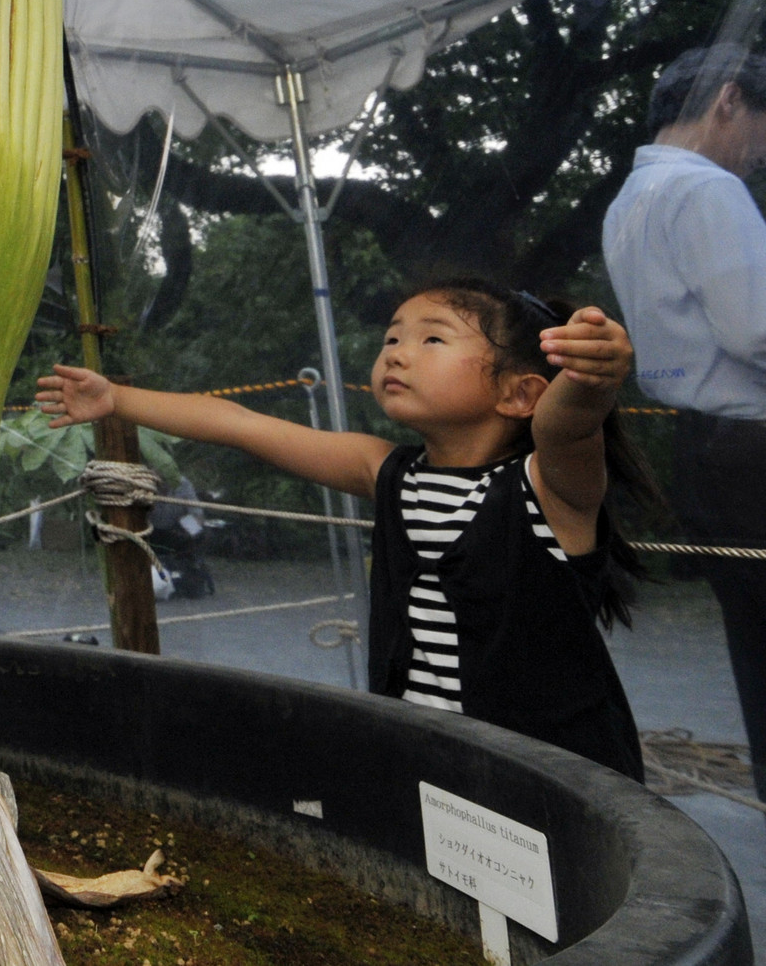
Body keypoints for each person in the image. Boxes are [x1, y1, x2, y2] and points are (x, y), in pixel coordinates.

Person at [37, 277, 651, 778]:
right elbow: (242, 425)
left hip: (563, 777)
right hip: (435, 763)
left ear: (521, 395)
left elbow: (567, 424)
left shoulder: (551, 486)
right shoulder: (385, 470)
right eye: (392, 338)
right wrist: (115, 397)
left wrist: (592, 377)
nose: (397, 352)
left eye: (432, 339)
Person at [603, 43, 766, 798]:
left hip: (704, 446)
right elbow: (756, 329)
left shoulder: (632, 196)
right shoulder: (707, 190)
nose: (760, 153)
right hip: (753, 441)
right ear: (728, 101)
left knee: (757, 652)